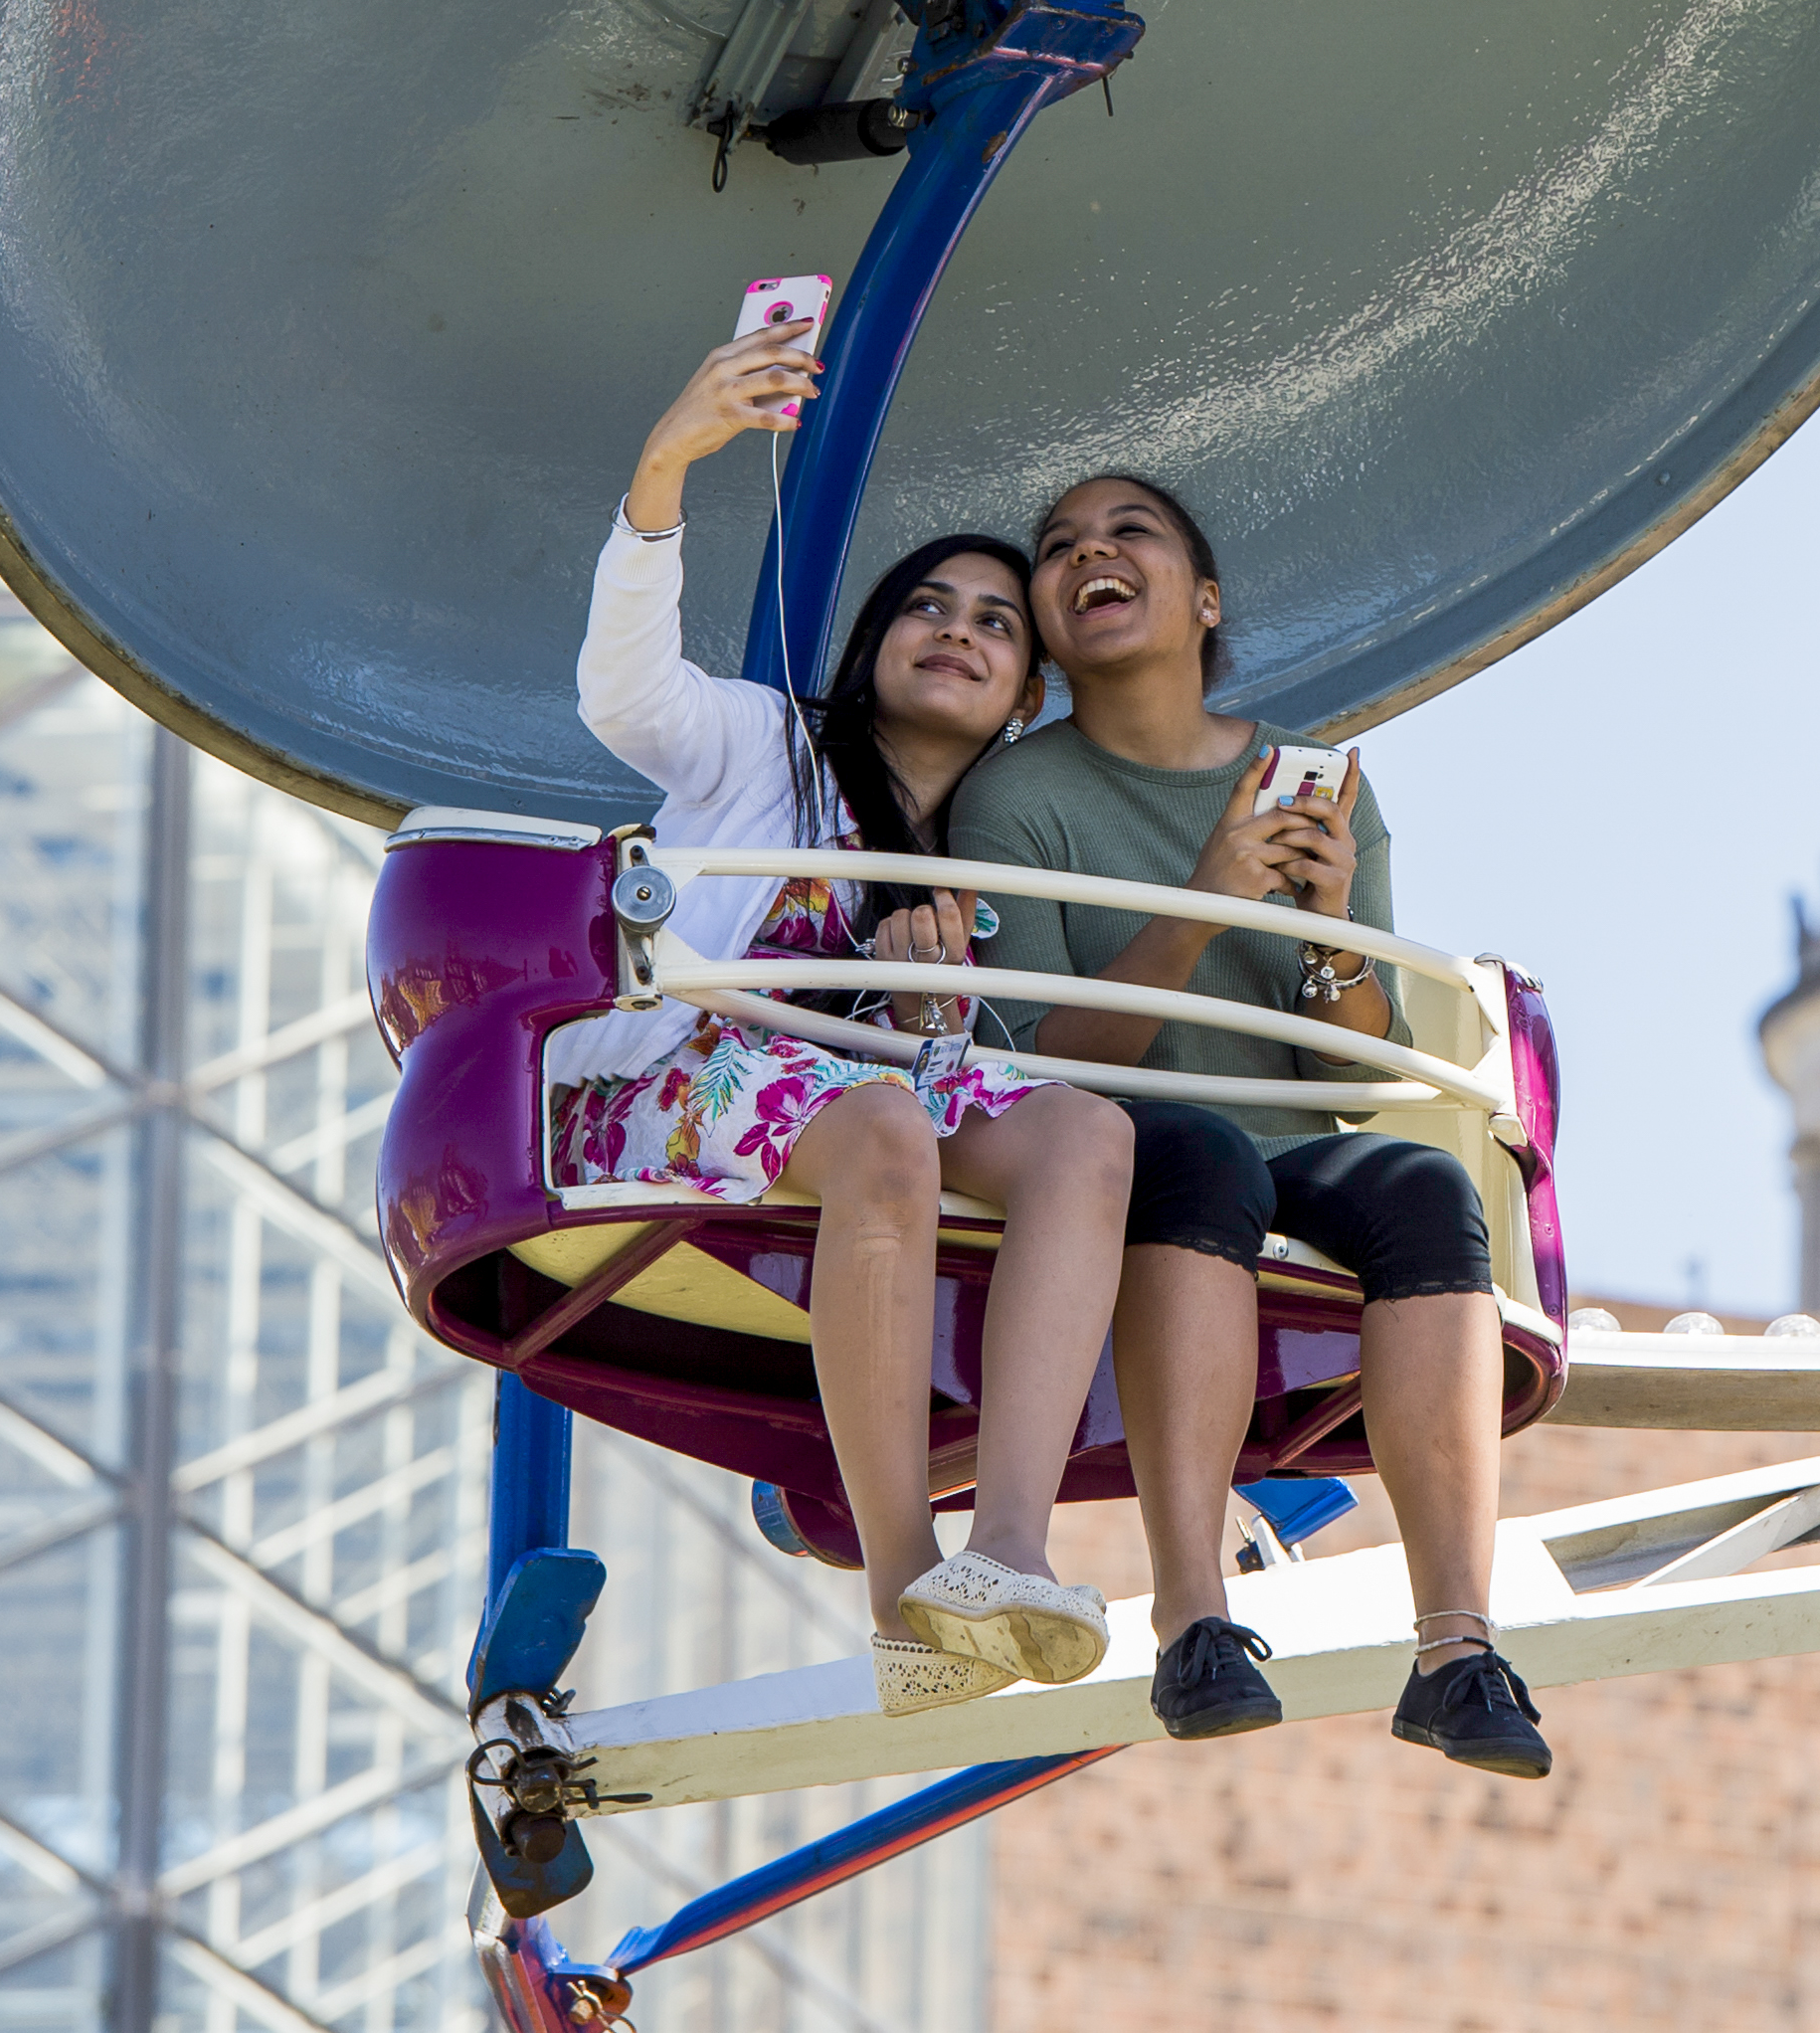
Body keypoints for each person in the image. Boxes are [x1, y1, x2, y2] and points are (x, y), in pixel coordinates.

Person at [556, 323, 1135, 1714]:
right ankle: (900, 1586)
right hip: (677, 1081)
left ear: (1025, 699)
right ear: (875, 644)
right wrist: (668, 461)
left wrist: (936, 999)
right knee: (881, 1126)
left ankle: (1002, 1551)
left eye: (998, 625)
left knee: (1084, 1136)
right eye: (930, 607)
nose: (960, 631)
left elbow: (936, 1068)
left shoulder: (981, 855)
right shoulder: (767, 746)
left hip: (848, 1110)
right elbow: (624, 693)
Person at [954, 471, 1552, 1778]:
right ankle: (1192, 1613)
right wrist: (1210, 898)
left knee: (1421, 1189)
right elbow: (1047, 1061)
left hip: (1283, 1138)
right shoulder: (1015, 802)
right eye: (1060, 546)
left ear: (1205, 596)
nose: (1089, 554)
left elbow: (1348, 1065)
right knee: (1204, 1154)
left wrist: (1332, 936)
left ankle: (1457, 1646)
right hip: (1115, 1149)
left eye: (1129, 534)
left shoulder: (1325, 785)